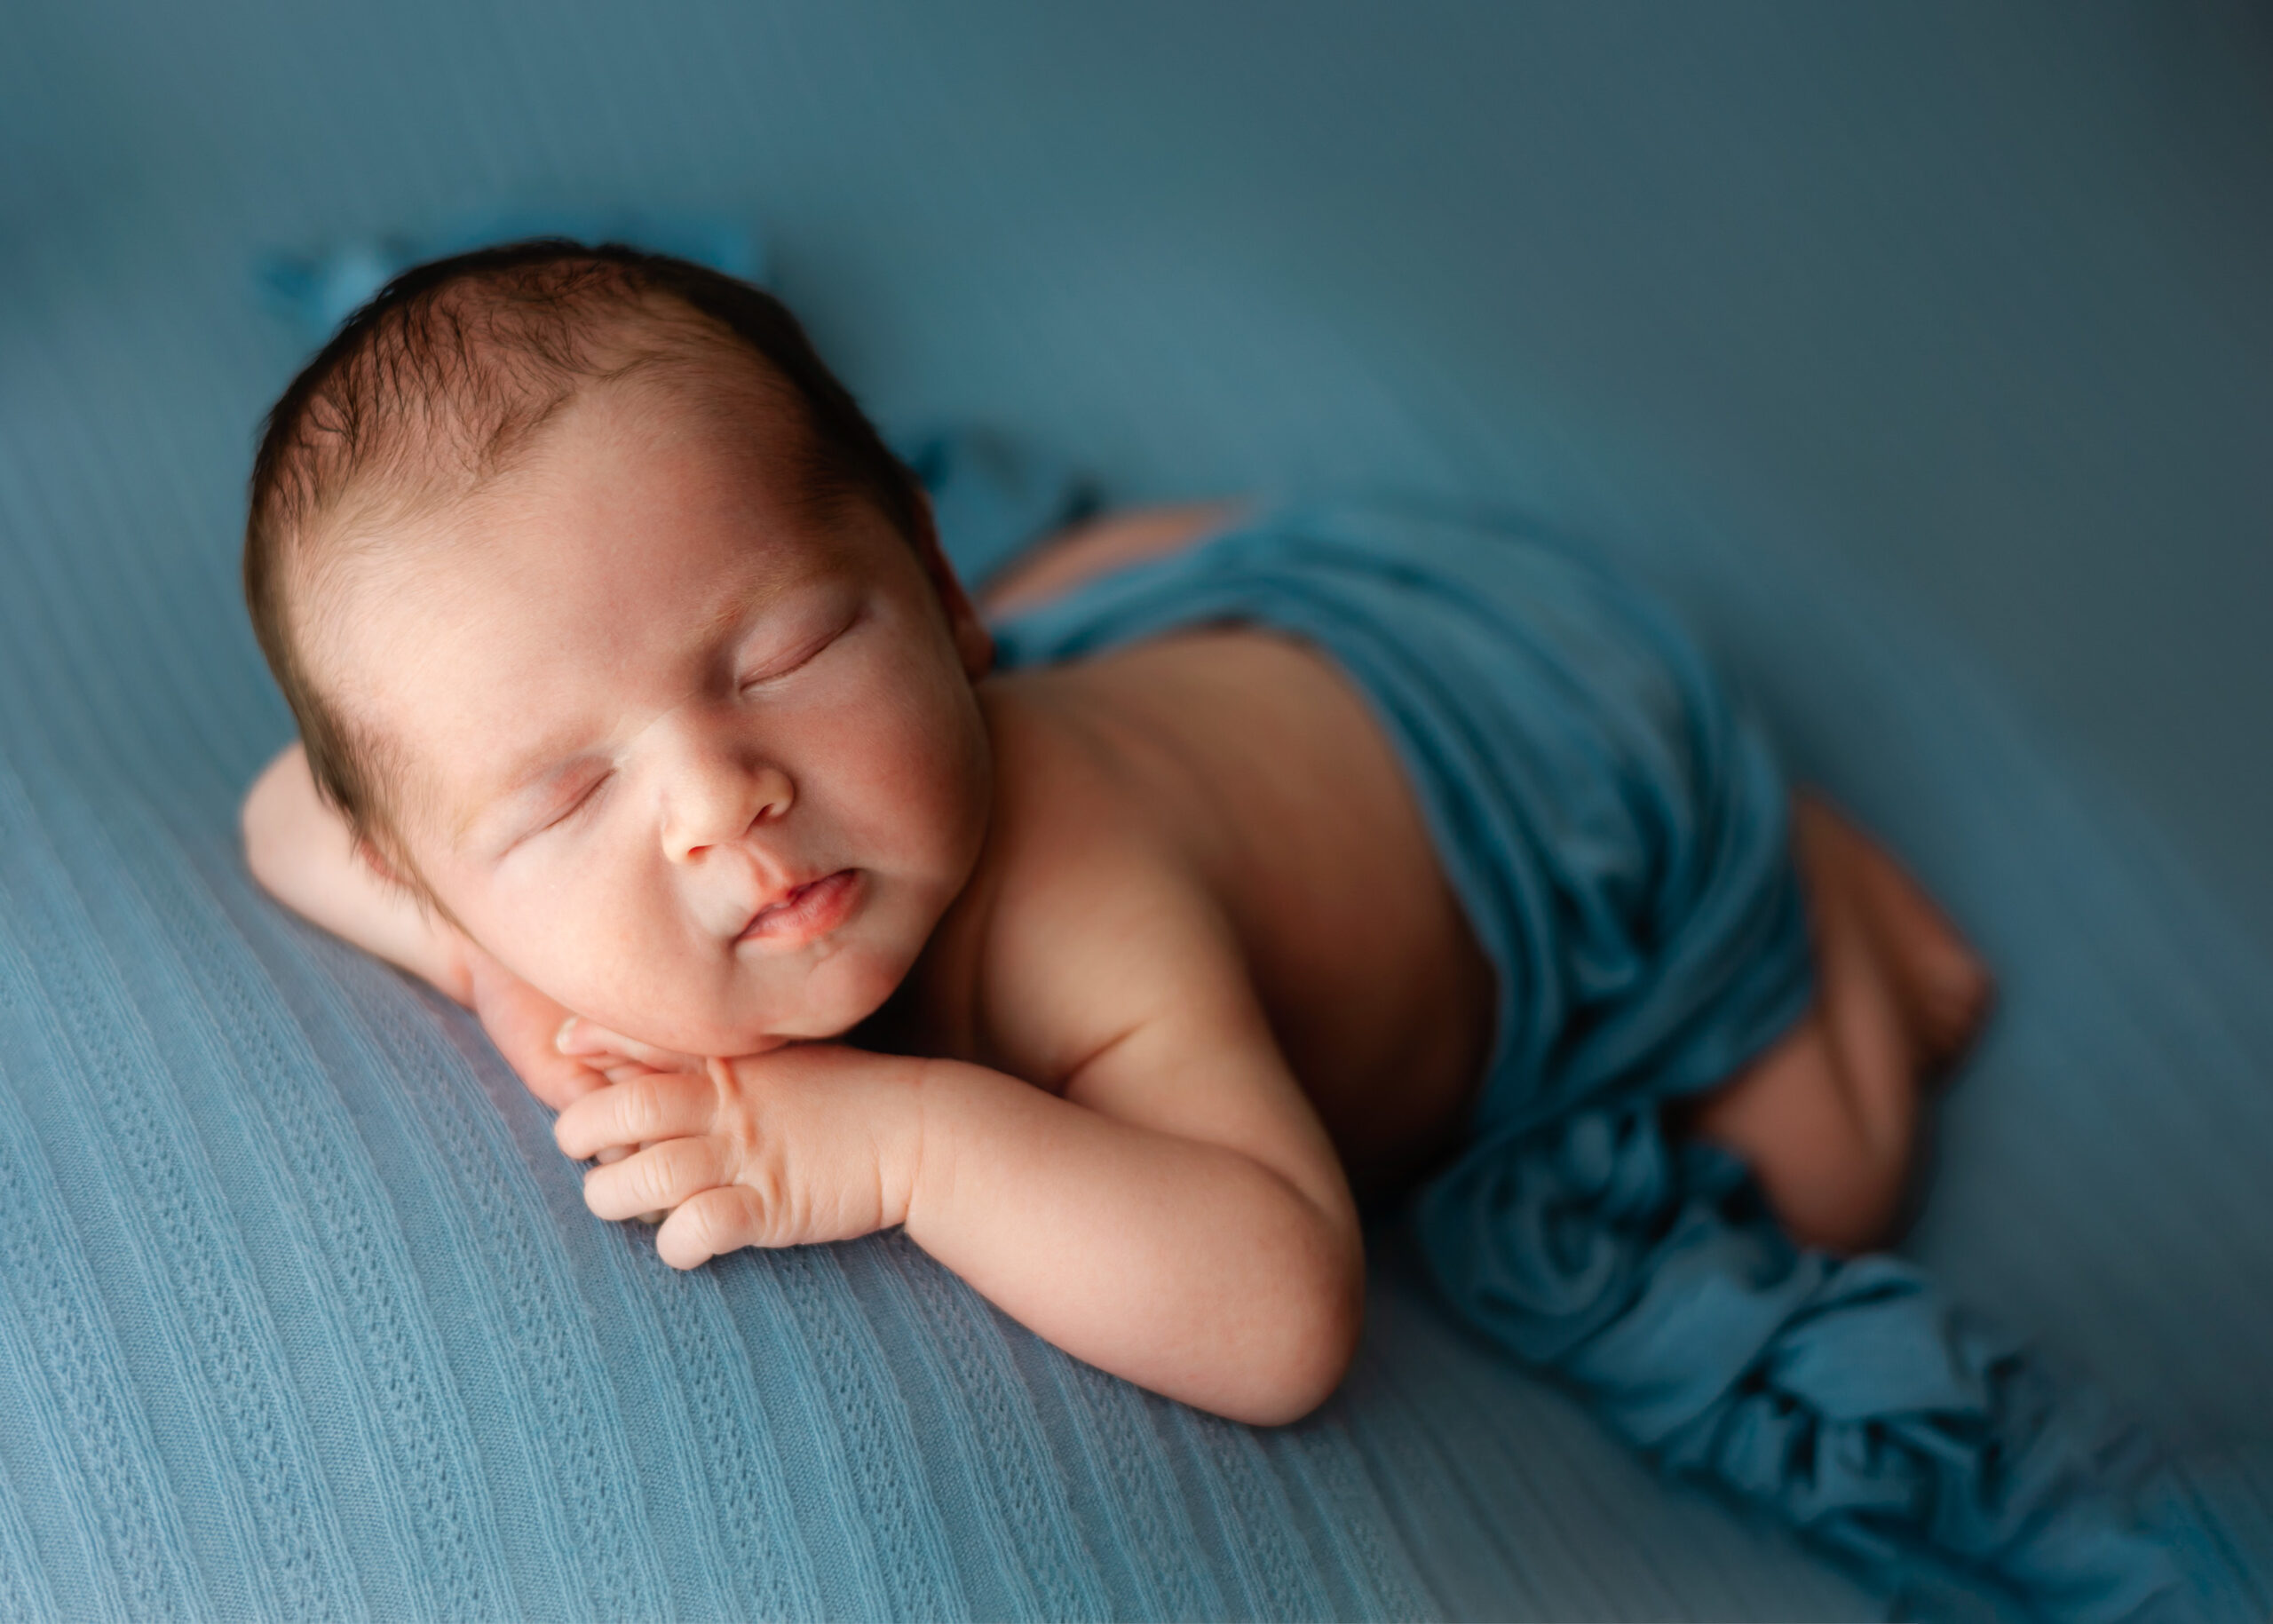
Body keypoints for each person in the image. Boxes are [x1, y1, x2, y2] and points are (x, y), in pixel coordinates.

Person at [243, 242, 2179, 1614]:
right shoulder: (524, 869)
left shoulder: (1083, 901)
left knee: (1814, 1184)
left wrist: (894, 1141)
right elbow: (284, 817)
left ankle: (1800, 883)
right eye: (564, 799)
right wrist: (506, 970)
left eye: (785, 646)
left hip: (1557, 783)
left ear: (929, 585)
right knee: (1093, 597)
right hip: (1257, 664)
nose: (714, 799)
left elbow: (1277, 1312)